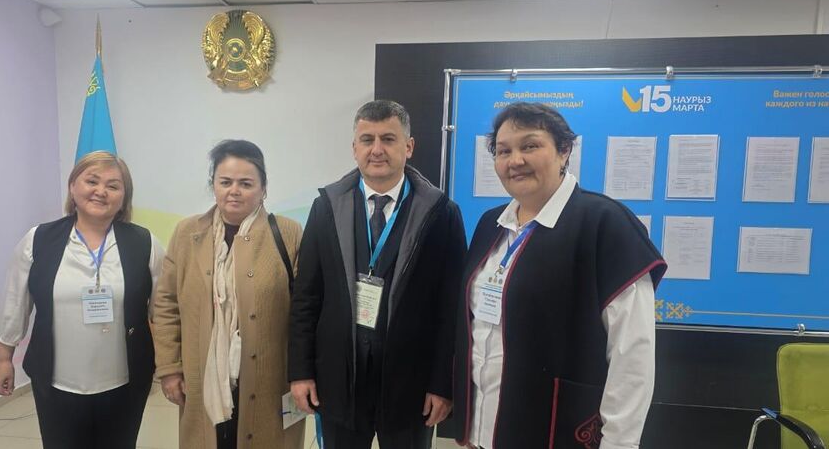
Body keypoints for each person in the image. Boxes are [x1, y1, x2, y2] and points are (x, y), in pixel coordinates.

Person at [451, 102, 668, 449]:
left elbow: (632, 356)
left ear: (564, 150)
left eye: (530, 146)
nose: (515, 160)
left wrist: (618, 444)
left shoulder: (605, 224)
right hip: (484, 429)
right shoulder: (491, 225)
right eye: (503, 151)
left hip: (556, 430)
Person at [289, 100, 467, 449]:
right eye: (367, 139)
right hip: (339, 380)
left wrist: (442, 383)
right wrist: (300, 372)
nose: (377, 149)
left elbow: (451, 309)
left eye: (388, 138)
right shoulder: (326, 208)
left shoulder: (441, 214)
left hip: (411, 386)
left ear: (409, 147)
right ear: (354, 148)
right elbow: (306, 297)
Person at [0, 151, 165, 449]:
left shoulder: (145, 243)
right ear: (73, 187)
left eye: (113, 185)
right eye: (92, 181)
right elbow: (14, 303)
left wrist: (173, 366)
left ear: (124, 197)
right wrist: (3, 359)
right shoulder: (38, 240)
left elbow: (164, 311)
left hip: (124, 382)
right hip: (57, 383)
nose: (101, 191)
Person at [152, 140, 305, 449]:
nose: (234, 191)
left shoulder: (288, 234)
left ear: (263, 188)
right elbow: (166, 305)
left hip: (270, 379)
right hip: (201, 377)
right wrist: (169, 368)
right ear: (214, 185)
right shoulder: (187, 233)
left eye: (246, 183)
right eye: (225, 182)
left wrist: (305, 373)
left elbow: (305, 311)